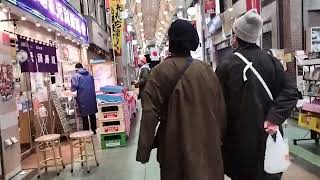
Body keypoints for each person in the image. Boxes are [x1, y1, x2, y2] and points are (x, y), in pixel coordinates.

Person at [136, 19, 226, 180]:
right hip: (206, 143)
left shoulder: (158, 72)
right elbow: (220, 110)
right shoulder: (206, 70)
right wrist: (218, 138)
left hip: (173, 145)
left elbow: (149, 115)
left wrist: (144, 150)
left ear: (171, 42)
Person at [216, 9, 298, 180]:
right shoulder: (271, 61)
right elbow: (291, 91)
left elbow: (218, 107)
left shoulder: (226, 66)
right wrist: (273, 117)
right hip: (268, 135)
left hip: (238, 141)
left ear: (236, 36)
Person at [71, 63, 98, 134]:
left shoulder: (76, 76)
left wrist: (71, 90)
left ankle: (86, 131)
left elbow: (73, 88)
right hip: (91, 97)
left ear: (76, 68)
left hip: (82, 97)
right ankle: (94, 130)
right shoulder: (90, 75)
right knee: (92, 113)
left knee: (84, 115)